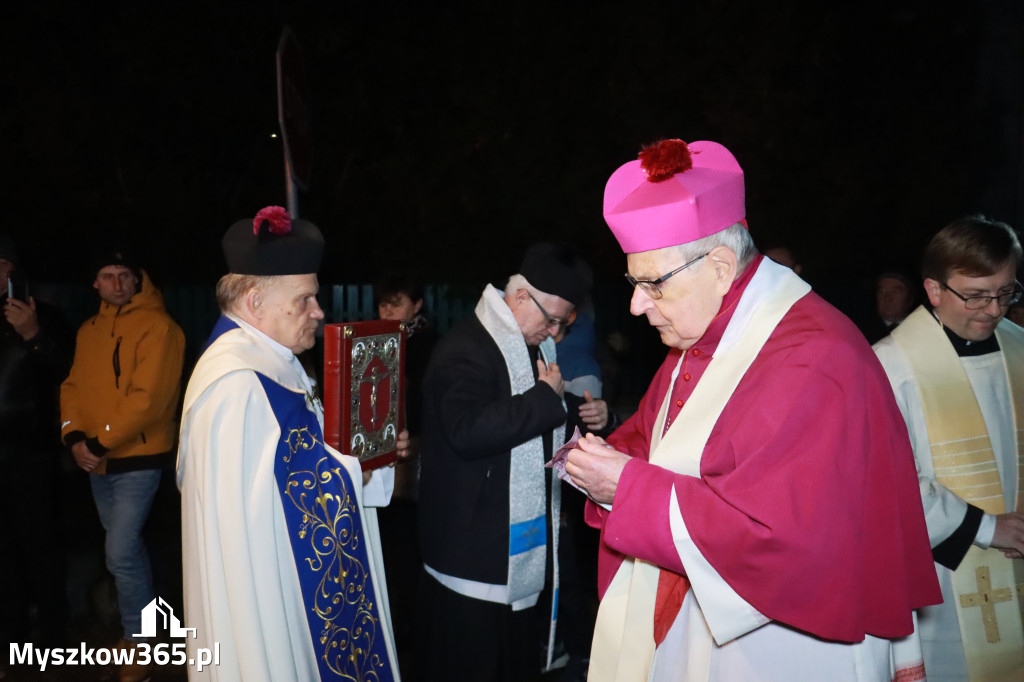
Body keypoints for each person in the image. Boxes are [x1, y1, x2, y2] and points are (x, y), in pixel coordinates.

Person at [565, 139, 939, 681]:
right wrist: (602, 460)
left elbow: (778, 541)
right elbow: (653, 437)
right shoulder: (703, 336)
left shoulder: (812, 356)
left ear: (720, 266)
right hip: (708, 621)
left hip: (784, 642)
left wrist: (625, 489)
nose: (637, 304)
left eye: (653, 284)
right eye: (633, 282)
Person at [177, 206, 403, 681]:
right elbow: (254, 513)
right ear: (255, 303)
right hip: (268, 589)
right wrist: (353, 467)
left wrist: (372, 447)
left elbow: (305, 456)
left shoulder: (277, 361)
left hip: (295, 580)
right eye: (304, 300)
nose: (318, 313)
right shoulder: (233, 383)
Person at [416, 242, 605, 681]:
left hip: (512, 551)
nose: (555, 334)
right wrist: (547, 400)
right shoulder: (464, 347)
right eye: (552, 319)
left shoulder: (527, 343)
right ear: (521, 297)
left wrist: (592, 412)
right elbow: (467, 430)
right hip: (472, 557)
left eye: (565, 323)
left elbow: (542, 400)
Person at [873, 216, 1024, 681]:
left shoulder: (1019, 349)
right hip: (942, 577)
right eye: (976, 295)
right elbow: (884, 481)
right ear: (934, 290)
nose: (992, 309)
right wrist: (983, 527)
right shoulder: (889, 366)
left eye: (1005, 293)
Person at [60, 246, 185, 682]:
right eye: (107, 275)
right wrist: (74, 435)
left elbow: (149, 399)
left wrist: (98, 441)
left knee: (120, 552)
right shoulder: (89, 330)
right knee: (126, 553)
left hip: (137, 457)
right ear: (95, 283)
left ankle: (141, 642)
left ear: (137, 280)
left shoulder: (160, 327)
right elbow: (72, 385)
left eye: (124, 275)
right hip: (97, 461)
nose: (116, 283)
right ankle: (150, 635)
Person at [0, 235, 73, 654]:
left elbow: (66, 373)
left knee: (40, 544)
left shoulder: (44, 316)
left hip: (31, 452)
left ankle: (53, 637)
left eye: (5, 265)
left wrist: (33, 335)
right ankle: (11, 637)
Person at [862, 269, 918, 344]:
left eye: (895, 292)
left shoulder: (920, 329)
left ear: (910, 298)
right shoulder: (862, 332)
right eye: (881, 292)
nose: (887, 298)